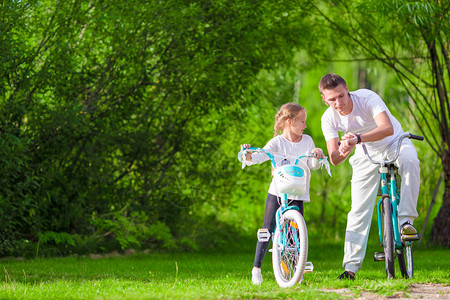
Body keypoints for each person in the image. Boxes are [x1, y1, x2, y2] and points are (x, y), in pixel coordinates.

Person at [318, 73, 420, 280]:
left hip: (394, 143)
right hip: (365, 153)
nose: (338, 102)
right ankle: (350, 268)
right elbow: (335, 158)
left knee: (411, 161)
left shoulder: (366, 98)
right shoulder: (328, 118)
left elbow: (386, 128)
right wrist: (344, 148)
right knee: (358, 209)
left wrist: (357, 138)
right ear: (324, 99)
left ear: (347, 89)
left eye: (341, 96)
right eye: (332, 99)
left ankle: (405, 222)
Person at [241, 102, 324, 285]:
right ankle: (256, 269)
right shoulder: (277, 142)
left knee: (295, 234)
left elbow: (312, 165)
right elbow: (258, 157)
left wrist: (317, 155)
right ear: (289, 121)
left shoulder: (307, 141)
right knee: (267, 230)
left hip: (298, 192)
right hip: (277, 192)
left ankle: (295, 272)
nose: (305, 125)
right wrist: (248, 154)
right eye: (301, 121)